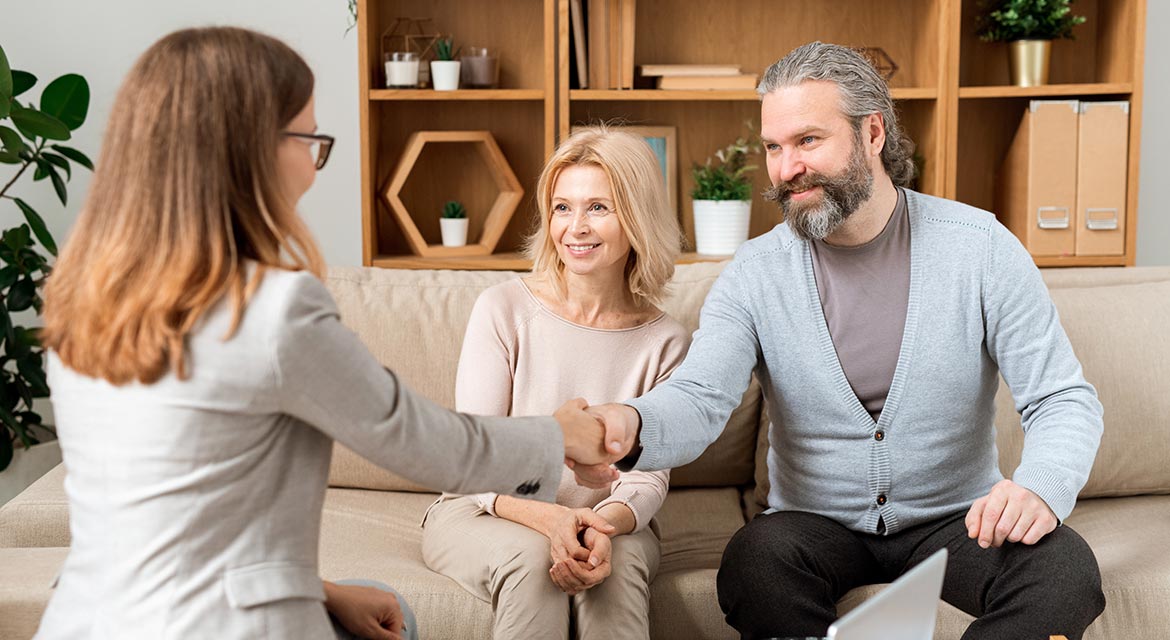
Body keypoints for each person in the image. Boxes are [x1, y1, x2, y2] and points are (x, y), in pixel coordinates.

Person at [35, 27, 615, 640]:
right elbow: (428, 444)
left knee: (389, 606)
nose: (314, 166)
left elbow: (173, 517)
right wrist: (561, 435)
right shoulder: (270, 309)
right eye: (308, 138)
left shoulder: (79, 300)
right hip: (225, 626)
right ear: (248, 150)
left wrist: (324, 593)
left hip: (86, 619)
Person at [579, 42, 1106, 640]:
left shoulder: (979, 246)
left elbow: (1062, 398)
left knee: (1065, 571)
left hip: (958, 523)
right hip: (811, 527)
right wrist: (628, 423)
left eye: (808, 141)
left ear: (872, 133)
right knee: (755, 562)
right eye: (774, 148)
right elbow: (701, 396)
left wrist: (1039, 485)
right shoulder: (755, 272)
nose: (785, 169)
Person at [421, 127, 688, 640]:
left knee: (614, 573)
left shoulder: (667, 342)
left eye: (598, 208)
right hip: (482, 508)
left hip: (612, 518)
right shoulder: (503, 309)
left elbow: (647, 478)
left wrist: (600, 526)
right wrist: (551, 521)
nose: (575, 228)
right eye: (562, 208)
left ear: (637, 217)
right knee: (534, 561)